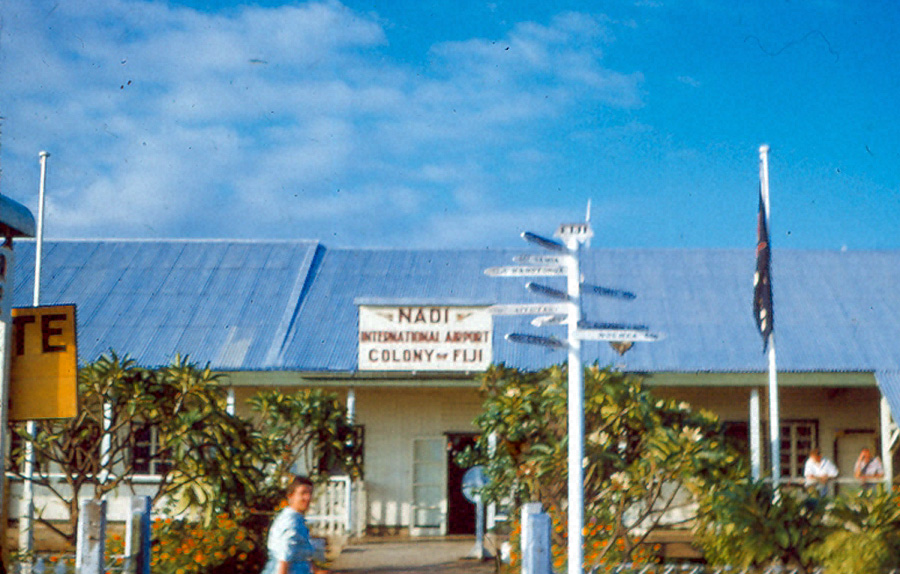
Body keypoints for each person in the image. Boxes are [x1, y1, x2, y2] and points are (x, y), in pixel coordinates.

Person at [262, 475, 325, 574]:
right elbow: (284, 556)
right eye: (303, 493)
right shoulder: (290, 521)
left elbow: (300, 553)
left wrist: (316, 570)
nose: (308, 497)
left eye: (310, 493)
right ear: (290, 496)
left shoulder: (296, 518)